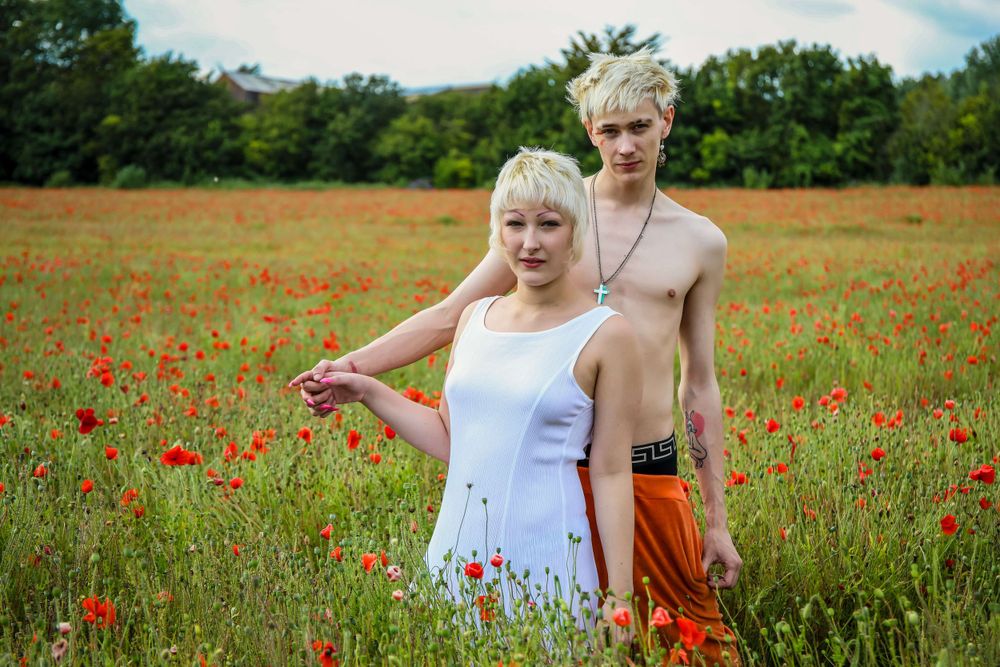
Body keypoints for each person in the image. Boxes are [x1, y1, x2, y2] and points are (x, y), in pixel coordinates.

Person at [291, 49, 742, 665]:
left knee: (693, 648)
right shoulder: (548, 216)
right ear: (590, 130)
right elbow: (450, 316)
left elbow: (699, 385)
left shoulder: (700, 240)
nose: (625, 146)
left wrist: (715, 520)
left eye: (640, 126)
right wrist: (352, 367)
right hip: (549, 472)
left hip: (642, 468)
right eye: (610, 130)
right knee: (556, 643)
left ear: (666, 121)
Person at [311, 148, 640, 636]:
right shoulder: (475, 317)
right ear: (497, 231)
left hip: (548, 561)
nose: (530, 242)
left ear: (575, 231)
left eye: (549, 224)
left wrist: (620, 596)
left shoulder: (607, 334)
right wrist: (365, 389)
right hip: (456, 555)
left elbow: (611, 472)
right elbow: (451, 438)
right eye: (515, 224)